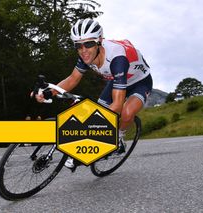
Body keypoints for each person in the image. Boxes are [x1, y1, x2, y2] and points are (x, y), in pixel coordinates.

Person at [34, 18, 153, 170]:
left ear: (99, 41)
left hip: (139, 82)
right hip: (116, 80)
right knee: (98, 112)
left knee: (126, 112)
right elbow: (72, 79)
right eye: (78, 45)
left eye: (88, 43)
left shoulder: (117, 59)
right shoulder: (86, 56)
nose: (83, 50)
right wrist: (49, 93)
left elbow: (117, 104)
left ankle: (119, 139)